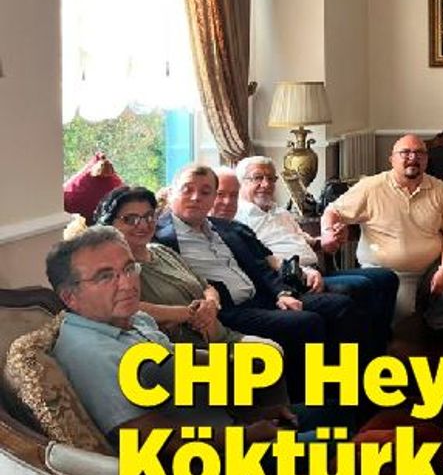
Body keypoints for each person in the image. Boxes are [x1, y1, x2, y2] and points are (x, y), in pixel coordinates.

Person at [47, 226, 293, 456]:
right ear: (70, 297)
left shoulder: (134, 319)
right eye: (105, 276)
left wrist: (253, 414)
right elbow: (158, 440)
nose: (128, 284)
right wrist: (249, 435)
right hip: (211, 462)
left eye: (129, 269)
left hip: (231, 428)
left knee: (315, 411)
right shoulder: (89, 353)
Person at [155, 164, 356, 398]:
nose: (196, 197)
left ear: (212, 199)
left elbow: (261, 266)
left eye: (205, 192)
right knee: (306, 323)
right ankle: (305, 401)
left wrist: (281, 293)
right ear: (172, 192)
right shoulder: (159, 236)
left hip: (262, 297)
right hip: (225, 310)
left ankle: (347, 391)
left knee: (340, 306)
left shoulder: (226, 228)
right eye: (187, 189)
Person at [228, 158, 398, 352]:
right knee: (360, 286)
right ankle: (361, 355)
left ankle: (378, 345)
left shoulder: (280, 212)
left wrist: (328, 239)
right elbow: (259, 260)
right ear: (241, 182)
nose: (266, 184)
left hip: (317, 271)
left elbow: (307, 241)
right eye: (257, 178)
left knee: (386, 277)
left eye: (271, 178)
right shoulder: (239, 218)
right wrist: (303, 271)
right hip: (292, 279)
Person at [320, 134, 443, 337]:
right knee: (399, 314)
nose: (413, 158)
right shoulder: (371, 187)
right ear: (392, 159)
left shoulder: (441, 190)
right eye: (405, 153)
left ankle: (437, 321)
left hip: (431, 266)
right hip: (388, 273)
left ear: (426, 159)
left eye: (419, 153)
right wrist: (327, 233)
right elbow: (332, 211)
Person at [94, 185, 273, 349]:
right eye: (130, 219)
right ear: (109, 224)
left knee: (272, 349)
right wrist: (186, 314)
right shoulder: (111, 268)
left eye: (149, 216)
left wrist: (210, 305)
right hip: (186, 352)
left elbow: (206, 286)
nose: (143, 225)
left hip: (221, 336)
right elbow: (122, 307)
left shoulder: (162, 251)